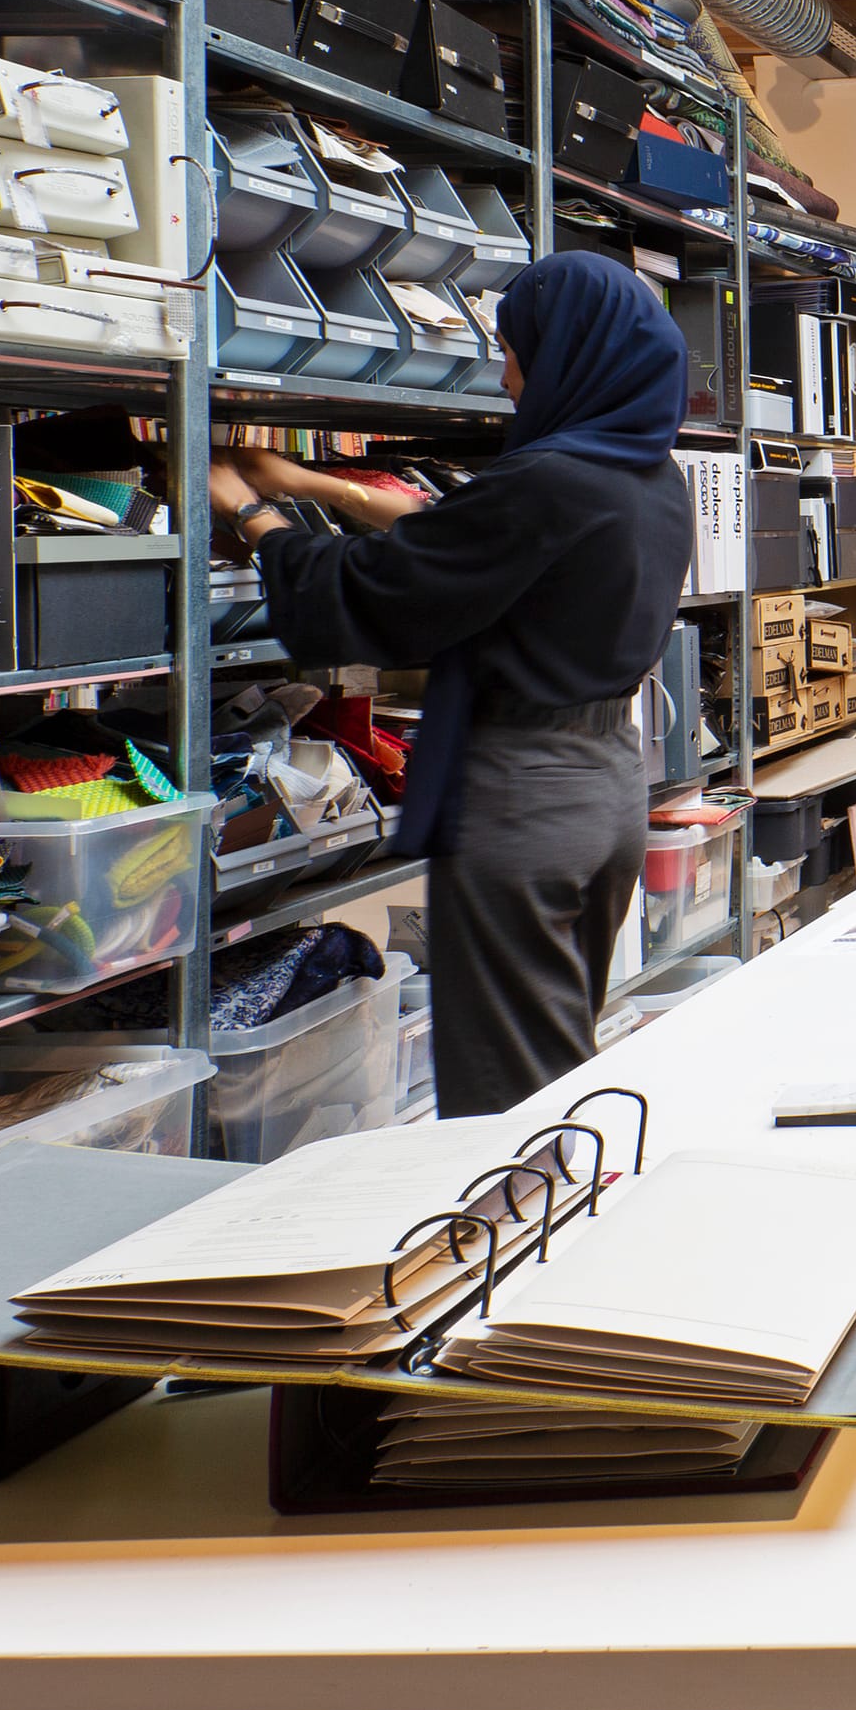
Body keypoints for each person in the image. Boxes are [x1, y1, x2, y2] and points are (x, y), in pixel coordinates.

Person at [209, 251, 693, 1115]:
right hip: (607, 783)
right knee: (553, 1051)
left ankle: (528, 1232)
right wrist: (319, 483)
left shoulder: (550, 481)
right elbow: (478, 539)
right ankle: (562, 1216)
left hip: (525, 795)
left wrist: (255, 516)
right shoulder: (649, 478)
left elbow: (386, 593)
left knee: (506, 1088)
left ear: (568, 354)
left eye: (515, 351)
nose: (505, 375)